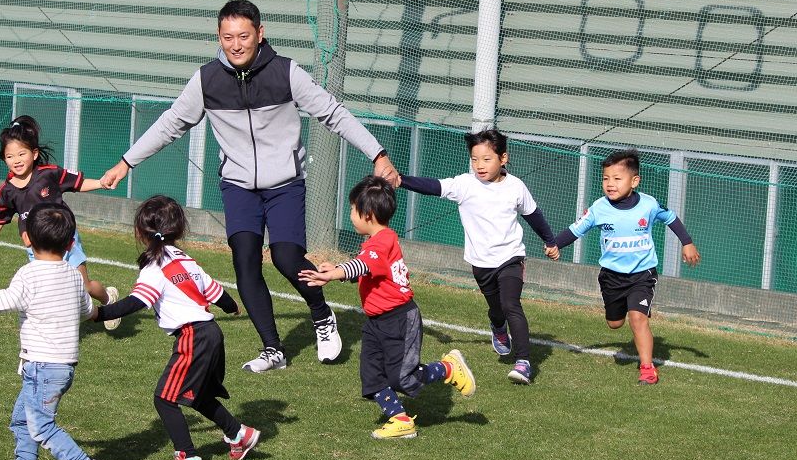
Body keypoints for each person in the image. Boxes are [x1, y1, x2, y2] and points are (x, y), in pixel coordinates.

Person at [100, 0, 399, 372]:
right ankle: (273, 349)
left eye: (243, 36)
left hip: (285, 184)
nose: (236, 44)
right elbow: (170, 124)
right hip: (238, 186)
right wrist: (126, 162)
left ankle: (321, 313)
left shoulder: (286, 73)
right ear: (218, 36)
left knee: (287, 258)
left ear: (260, 33)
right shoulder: (206, 80)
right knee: (245, 261)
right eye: (228, 37)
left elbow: (333, 114)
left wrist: (378, 154)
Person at [299, 176, 476, 439]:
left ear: (368, 214)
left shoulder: (384, 241)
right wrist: (337, 270)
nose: (351, 215)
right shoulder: (375, 242)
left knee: (402, 377)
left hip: (400, 319)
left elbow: (363, 265)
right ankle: (400, 420)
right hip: (376, 322)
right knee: (371, 376)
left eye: (353, 209)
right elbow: (368, 271)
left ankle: (448, 367)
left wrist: (335, 273)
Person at [93, 195, 260, 460]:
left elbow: (137, 301)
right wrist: (232, 307)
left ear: (140, 232)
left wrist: (99, 314)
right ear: (179, 230)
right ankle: (238, 434)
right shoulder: (186, 260)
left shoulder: (155, 266)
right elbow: (216, 291)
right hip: (211, 334)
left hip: (193, 337)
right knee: (197, 395)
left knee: (165, 399)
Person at [0, 203, 110, 460]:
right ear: (71, 243)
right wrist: (99, 313)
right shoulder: (74, 275)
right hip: (62, 367)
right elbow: (86, 310)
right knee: (22, 420)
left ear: (27, 238)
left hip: (42, 367)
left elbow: (6, 299)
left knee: (42, 426)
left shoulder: (29, 274)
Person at [396, 129, 556, 384]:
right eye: (474, 159)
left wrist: (550, 241)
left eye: (486, 159)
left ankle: (523, 362)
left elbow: (533, 215)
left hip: (511, 257)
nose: (480, 165)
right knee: (497, 309)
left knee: (511, 304)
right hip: (481, 264)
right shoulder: (465, 184)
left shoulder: (516, 187)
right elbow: (434, 186)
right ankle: (498, 327)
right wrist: (401, 180)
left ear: (503, 158)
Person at [546, 148, 700, 384]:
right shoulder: (598, 208)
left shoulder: (649, 204)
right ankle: (631, 308)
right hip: (612, 277)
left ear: (634, 181)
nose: (610, 184)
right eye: (606, 178)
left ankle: (647, 369)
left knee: (638, 319)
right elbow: (576, 230)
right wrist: (555, 244)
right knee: (615, 323)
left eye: (617, 178)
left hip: (643, 274)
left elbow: (670, 218)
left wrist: (687, 242)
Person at [0, 115, 121, 330]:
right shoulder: (6, 190)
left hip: (65, 240)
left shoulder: (49, 174)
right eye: (10, 156)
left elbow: (77, 183)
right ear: (4, 158)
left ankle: (108, 300)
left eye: (22, 154)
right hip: (37, 247)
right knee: (50, 291)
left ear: (34, 154)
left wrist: (100, 183)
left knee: (83, 288)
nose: (16, 160)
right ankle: (51, 329)